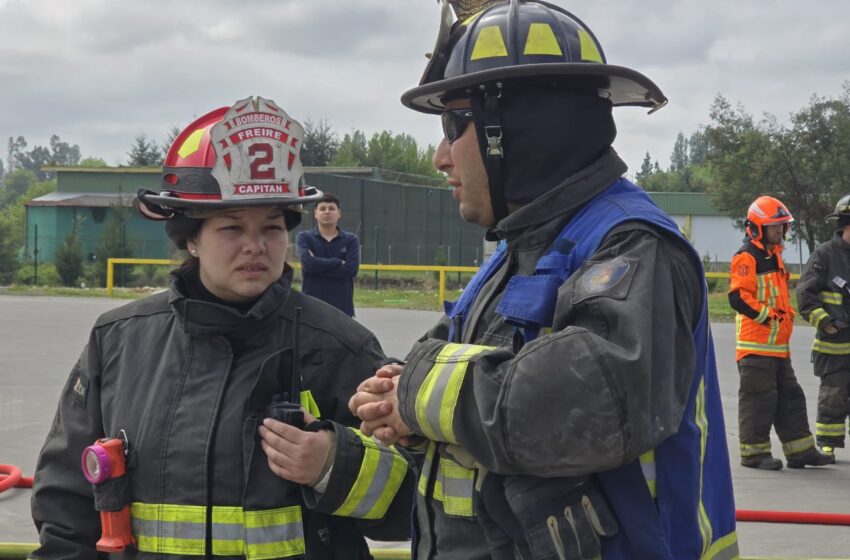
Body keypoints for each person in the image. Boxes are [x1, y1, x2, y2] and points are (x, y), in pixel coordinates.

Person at [349, 1, 738, 558]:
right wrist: (400, 403)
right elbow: (450, 371)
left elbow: (586, 405)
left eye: (454, 125)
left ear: (517, 131)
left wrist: (412, 392)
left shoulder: (632, 245)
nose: (440, 157)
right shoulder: (514, 254)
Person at [30, 96, 415, 559]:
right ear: (190, 238)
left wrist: (334, 465)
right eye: (232, 229)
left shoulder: (339, 347)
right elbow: (66, 502)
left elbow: (417, 501)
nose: (256, 247)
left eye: (272, 228)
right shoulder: (118, 341)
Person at [728, 195, 833, 471]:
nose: (781, 231)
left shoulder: (773, 256)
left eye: (782, 226)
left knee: (791, 398)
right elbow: (739, 297)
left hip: (776, 348)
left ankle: (800, 451)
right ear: (757, 228)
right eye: (775, 227)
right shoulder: (747, 256)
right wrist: (767, 316)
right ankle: (754, 454)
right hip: (756, 347)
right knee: (759, 401)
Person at [796, 193, 850, 459]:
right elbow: (805, 295)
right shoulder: (825, 255)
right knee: (834, 396)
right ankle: (828, 442)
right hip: (834, 343)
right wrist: (825, 322)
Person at [296, 194, 360, 317]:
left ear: (339, 213)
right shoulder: (304, 237)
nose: (327, 212)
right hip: (311, 307)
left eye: (331, 208)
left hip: (342, 308)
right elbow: (308, 265)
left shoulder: (351, 240)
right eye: (322, 208)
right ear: (315, 213)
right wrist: (337, 262)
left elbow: (351, 270)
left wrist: (316, 265)